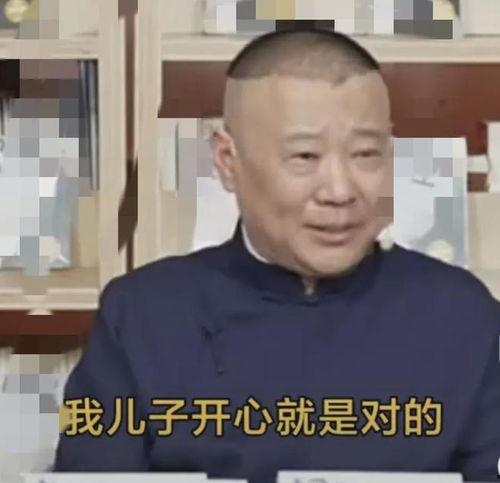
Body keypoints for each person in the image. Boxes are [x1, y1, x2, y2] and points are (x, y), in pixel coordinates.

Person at [54, 29, 500, 483]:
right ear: (228, 161)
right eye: (304, 156)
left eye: (366, 154)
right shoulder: (141, 314)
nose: (340, 191)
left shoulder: (462, 314)